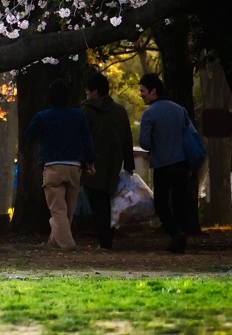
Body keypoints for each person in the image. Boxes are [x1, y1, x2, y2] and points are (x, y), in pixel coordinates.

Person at [23, 81, 96, 249]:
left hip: (53, 166)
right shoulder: (78, 115)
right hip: (74, 166)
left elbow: (28, 135)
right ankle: (54, 242)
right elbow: (87, 140)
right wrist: (90, 161)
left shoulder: (43, 116)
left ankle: (67, 244)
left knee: (57, 210)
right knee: (68, 210)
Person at [139, 73, 194, 254]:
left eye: (143, 91)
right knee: (179, 202)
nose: (141, 94)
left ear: (153, 91)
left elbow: (145, 143)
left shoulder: (149, 113)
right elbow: (189, 135)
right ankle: (181, 237)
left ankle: (176, 234)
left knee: (161, 204)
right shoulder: (180, 109)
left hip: (162, 164)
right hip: (182, 163)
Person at [82, 71, 135, 250]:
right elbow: (127, 139)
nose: (86, 93)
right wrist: (129, 164)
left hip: (93, 165)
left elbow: (83, 138)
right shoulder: (119, 111)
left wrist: (84, 161)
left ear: (95, 91)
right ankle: (107, 236)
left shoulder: (87, 111)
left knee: (98, 204)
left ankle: (105, 241)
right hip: (114, 164)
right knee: (109, 202)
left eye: (88, 90)